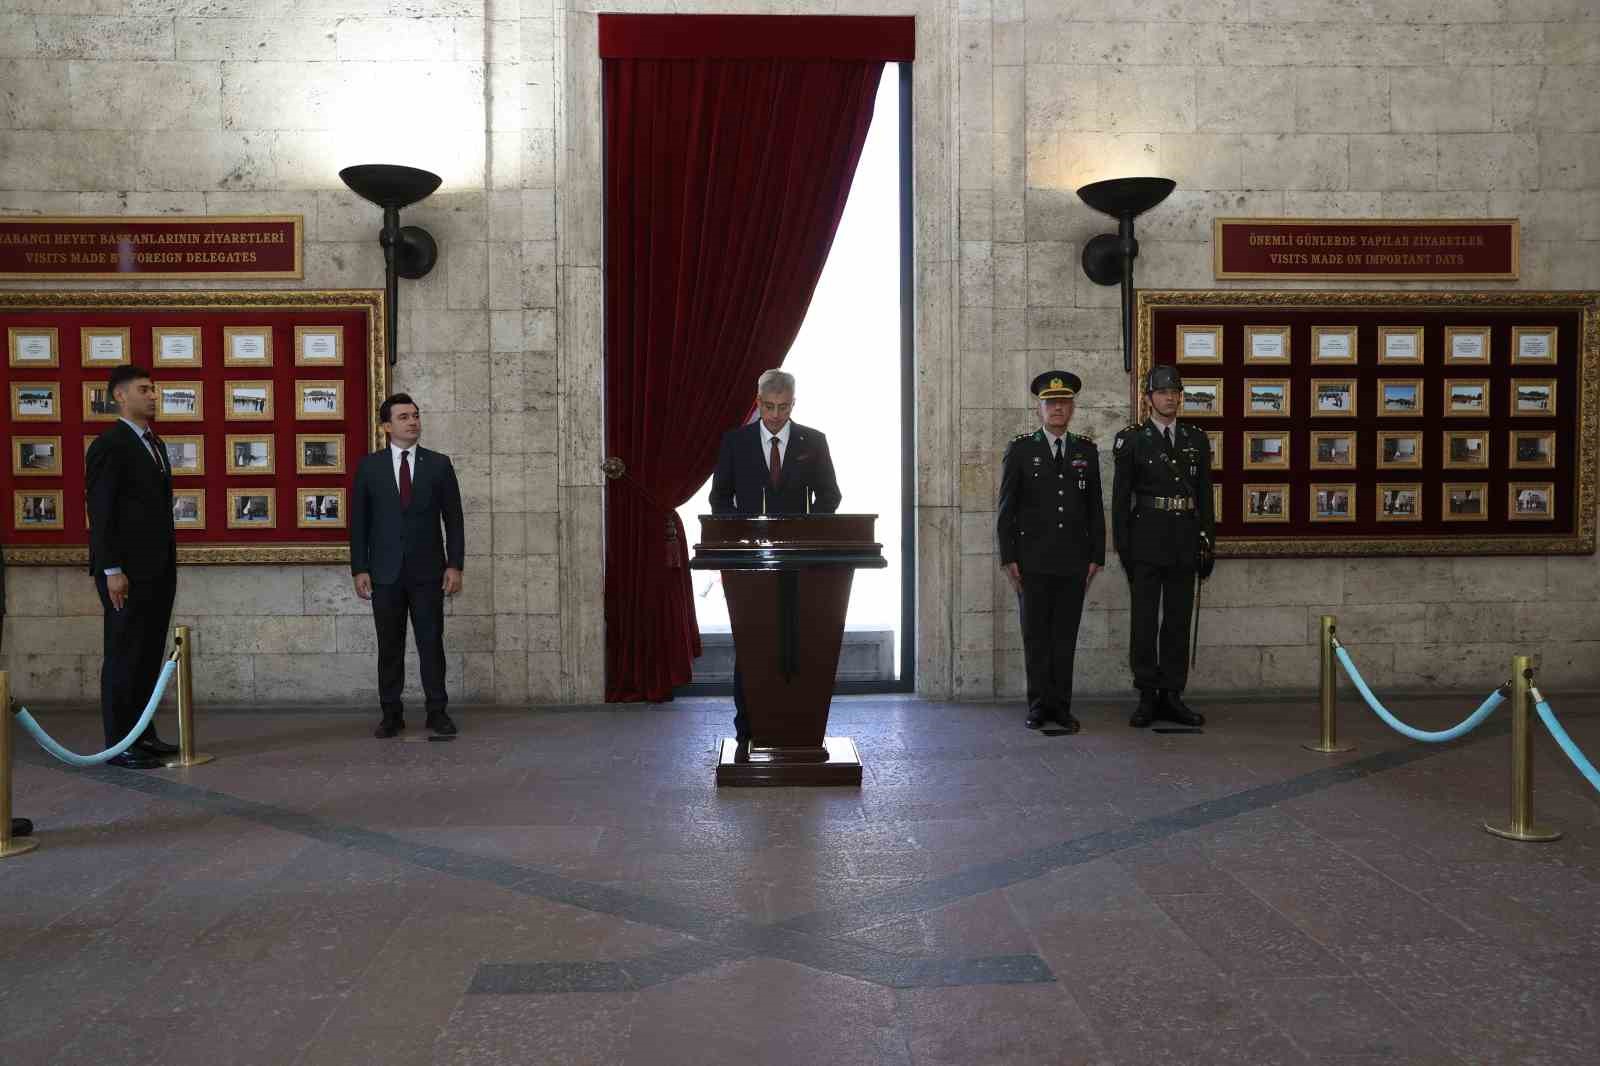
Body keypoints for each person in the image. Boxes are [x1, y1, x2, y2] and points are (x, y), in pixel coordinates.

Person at [709, 369, 842, 741]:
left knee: (799, 641)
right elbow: (720, 498)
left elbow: (830, 496)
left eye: (783, 408)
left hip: (801, 565)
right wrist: (743, 535)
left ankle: (796, 727)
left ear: (793, 404)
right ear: (758, 403)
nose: (775, 415)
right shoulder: (736, 442)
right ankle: (746, 730)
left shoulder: (813, 441)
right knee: (753, 644)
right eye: (768, 407)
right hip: (750, 565)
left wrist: (805, 530)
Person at [350, 393, 466, 739]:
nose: (412, 421)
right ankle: (391, 714)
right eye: (403, 417)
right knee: (389, 646)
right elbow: (359, 523)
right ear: (386, 426)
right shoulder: (369, 467)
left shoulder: (439, 464)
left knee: (431, 643)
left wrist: (454, 565)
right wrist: (360, 568)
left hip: (429, 572)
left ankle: (437, 712)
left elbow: (454, 520)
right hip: (384, 574)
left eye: (415, 415)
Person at [997, 371, 1105, 733]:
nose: (1057, 408)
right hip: (1032, 561)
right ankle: (1039, 705)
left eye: (1063, 402)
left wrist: (1096, 556)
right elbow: (1006, 509)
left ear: (1072, 407)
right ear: (1039, 407)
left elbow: (1095, 508)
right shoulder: (1022, 449)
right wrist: (1009, 557)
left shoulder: (1085, 450)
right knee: (1036, 636)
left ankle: (1061, 707)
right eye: (1050, 402)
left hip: (1074, 561)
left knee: (1064, 636)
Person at [85, 364, 181, 769]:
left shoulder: (154, 444)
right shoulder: (110, 445)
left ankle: (143, 733)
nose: (153, 395)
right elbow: (102, 513)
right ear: (120, 396)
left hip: (157, 569)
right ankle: (119, 742)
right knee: (124, 655)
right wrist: (111, 570)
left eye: (154, 389)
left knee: (147, 655)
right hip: (126, 573)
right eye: (144, 389)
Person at [1112, 364, 1214, 729]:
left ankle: (1172, 694)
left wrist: (1207, 541)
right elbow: (1121, 501)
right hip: (1146, 541)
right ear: (1148, 398)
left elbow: (1204, 495)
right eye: (1163, 392)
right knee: (1143, 622)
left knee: (1177, 620)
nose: (1170, 397)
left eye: (1175, 392)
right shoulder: (1132, 440)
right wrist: (1124, 550)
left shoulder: (1195, 439)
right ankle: (1147, 694)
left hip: (1184, 541)